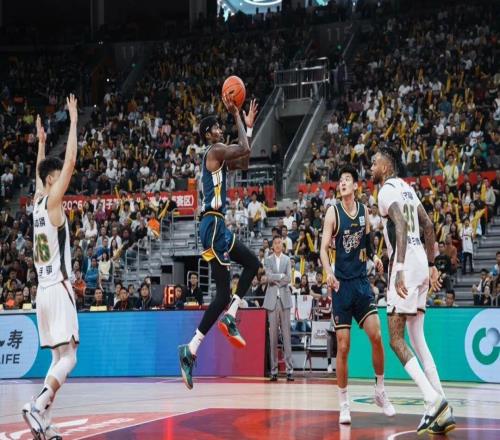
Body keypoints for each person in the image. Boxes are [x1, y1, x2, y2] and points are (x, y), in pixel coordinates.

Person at [371, 146, 455, 435]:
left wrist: (399, 268)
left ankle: (432, 400)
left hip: (405, 264)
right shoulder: (408, 188)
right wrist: (431, 265)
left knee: (395, 339)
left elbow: (401, 224)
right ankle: (443, 407)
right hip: (421, 262)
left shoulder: (385, 191)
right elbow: (428, 225)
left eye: (375, 162)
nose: (372, 166)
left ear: (386, 166)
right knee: (418, 339)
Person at [178, 97, 260, 390]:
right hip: (212, 226)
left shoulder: (221, 157)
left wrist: (248, 128)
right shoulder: (214, 151)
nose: (220, 130)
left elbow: (245, 160)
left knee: (252, 263)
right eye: (215, 128)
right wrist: (237, 115)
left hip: (218, 226)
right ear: (207, 134)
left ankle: (217, 328)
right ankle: (195, 345)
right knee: (223, 293)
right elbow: (244, 149)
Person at [22, 96, 79, 440]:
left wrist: (42, 145)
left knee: (58, 358)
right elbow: (70, 161)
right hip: (58, 287)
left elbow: (37, 176)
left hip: (42, 293)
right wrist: (73, 120)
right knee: (70, 358)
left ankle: (45, 420)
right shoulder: (54, 200)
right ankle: (39, 404)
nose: (61, 180)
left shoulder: (37, 203)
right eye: (57, 177)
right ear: (53, 179)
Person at [320, 164, 394, 425]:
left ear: (355, 185)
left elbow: (368, 242)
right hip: (341, 287)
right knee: (343, 346)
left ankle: (380, 390)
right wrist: (328, 272)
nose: (342, 183)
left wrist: (375, 256)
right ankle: (343, 403)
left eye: (347, 179)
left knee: (377, 336)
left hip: (361, 284)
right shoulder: (333, 212)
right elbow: (322, 249)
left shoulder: (363, 211)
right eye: (340, 180)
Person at [263, 236, 294, 381]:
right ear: (272, 245)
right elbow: (268, 277)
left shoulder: (287, 259)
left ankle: (290, 370)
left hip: (284, 300)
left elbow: (288, 278)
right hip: (271, 301)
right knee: (273, 337)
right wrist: (280, 276)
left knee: (287, 336)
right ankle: (274, 371)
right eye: (275, 243)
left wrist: (277, 279)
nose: (277, 245)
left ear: (282, 245)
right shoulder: (268, 259)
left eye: (279, 243)